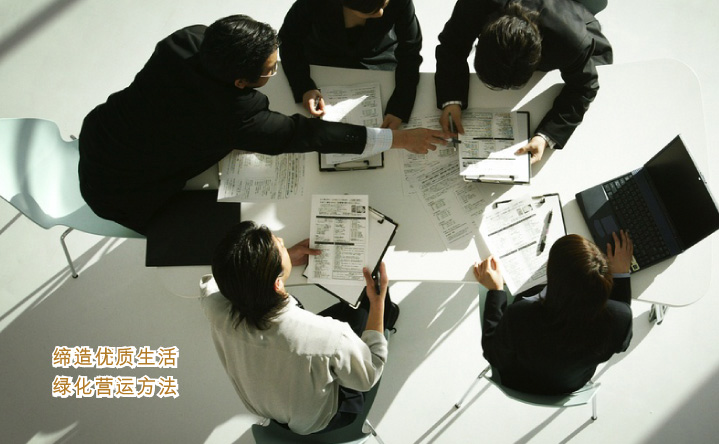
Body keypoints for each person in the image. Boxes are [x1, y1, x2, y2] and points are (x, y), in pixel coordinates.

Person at [79, 14, 447, 234]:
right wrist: (397, 140)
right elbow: (308, 135)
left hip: (101, 133)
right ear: (241, 82)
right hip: (125, 193)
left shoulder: (186, 40)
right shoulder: (234, 116)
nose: (275, 72)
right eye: (271, 70)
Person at [201, 221, 398, 434]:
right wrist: (378, 304)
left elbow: (215, 280)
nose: (282, 240)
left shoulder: (216, 310)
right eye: (279, 246)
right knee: (364, 306)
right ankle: (386, 313)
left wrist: (278, 262)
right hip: (320, 419)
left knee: (349, 313)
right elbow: (369, 375)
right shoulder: (330, 336)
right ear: (277, 284)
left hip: (268, 406)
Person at [435, 0, 613, 164]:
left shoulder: (572, 41)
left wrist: (546, 136)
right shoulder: (474, 4)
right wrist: (452, 100)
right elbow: (452, 45)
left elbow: (584, 87)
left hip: (573, 25)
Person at [473, 231, 633, 395]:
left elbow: (494, 355)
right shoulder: (621, 318)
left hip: (520, 381)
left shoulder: (520, 316)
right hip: (570, 385)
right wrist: (621, 274)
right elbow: (621, 339)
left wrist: (495, 291)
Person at [279, 0, 422, 129]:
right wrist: (303, 86)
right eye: (370, 10)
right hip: (322, 62)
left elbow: (410, 52)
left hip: (379, 63)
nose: (380, 13)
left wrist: (400, 108)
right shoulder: (312, 3)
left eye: (384, 4)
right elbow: (289, 41)